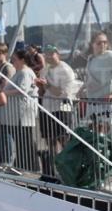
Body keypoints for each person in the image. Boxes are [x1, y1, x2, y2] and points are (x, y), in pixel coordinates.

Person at [36, 45, 80, 178]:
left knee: (64, 141)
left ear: (58, 54)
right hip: (47, 109)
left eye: (51, 54)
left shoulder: (66, 70)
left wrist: (48, 85)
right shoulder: (44, 70)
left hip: (62, 109)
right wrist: (40, 86)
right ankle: (54, 172)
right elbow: (43, 92)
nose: (49, 56)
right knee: (50, 142)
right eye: (47, 54)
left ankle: (71, 172)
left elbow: (63, 93)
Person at [83, 31, 112, 121]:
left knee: (106, 128)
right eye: (99, 43)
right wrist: (81, 90)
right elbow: (88, 77)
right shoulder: (90, 58)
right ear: (92, 44)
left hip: (106, 103)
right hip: (92, 101)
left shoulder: (110, 56)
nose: (102, 45)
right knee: (92, 127)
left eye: (105, 42)